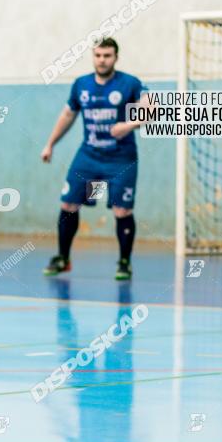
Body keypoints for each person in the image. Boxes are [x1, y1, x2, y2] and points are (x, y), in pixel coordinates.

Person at [40, 38, 145, 280]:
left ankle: (124, 262)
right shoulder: (82, 85)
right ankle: (63, 258)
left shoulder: (130, 84)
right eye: (98, 55)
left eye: (107, 55)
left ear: (116, 57)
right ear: (93, 57)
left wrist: (128, 125)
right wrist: (50, 144)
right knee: (69, 204)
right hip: (89, 157)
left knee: (121, 210)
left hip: (121, 159)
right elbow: (68, 115)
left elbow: (151, 109)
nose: (102, 60)